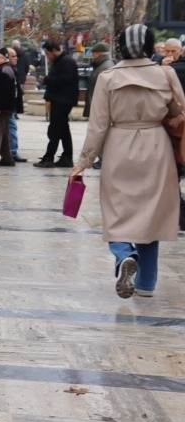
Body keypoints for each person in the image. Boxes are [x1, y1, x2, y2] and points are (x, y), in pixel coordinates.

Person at [73, 24, 185, 299]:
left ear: (121, 46)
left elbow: (98, 125)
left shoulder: (109, 77)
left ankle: (124, 254)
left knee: (117, 208)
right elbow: (179, 110)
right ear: (149, 46)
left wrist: (84, 162)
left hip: (119, 145)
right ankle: (146, 284)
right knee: (152, 214)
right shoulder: (165, 73)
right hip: (157, 146)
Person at [36, 39, 79, 168]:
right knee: (63, 130)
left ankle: (49, 157)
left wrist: (46, 79)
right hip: (60, 99)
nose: (48, 57)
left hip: (63, 100)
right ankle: (67, 157)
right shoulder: (60, 61)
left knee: (54, 130)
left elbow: (63, 80)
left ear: (54, 51)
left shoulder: (66, 62)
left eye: (48, 54)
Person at [84, 41, 114, 119]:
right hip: (98, 107)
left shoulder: (106, 67)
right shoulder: (100, 65)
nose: (92, 56)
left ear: (99, 54)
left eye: (93, 53)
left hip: (100, 108)